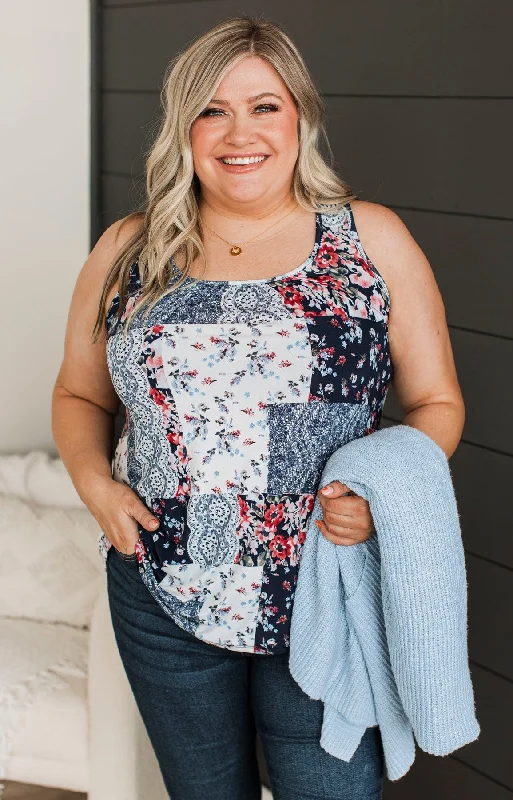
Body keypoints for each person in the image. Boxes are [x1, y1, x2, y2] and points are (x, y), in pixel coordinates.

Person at [51, 15, 465, 800]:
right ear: (184, 129)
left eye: (264, 105)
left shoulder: (368, 240)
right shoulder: (127, 250)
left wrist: (382, 497)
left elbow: (436, 402)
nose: (239, 132)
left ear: (299, 116)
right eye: (211, 109)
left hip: (323, 582)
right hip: (161, 582)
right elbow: (77, 392)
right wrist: (95, 487)